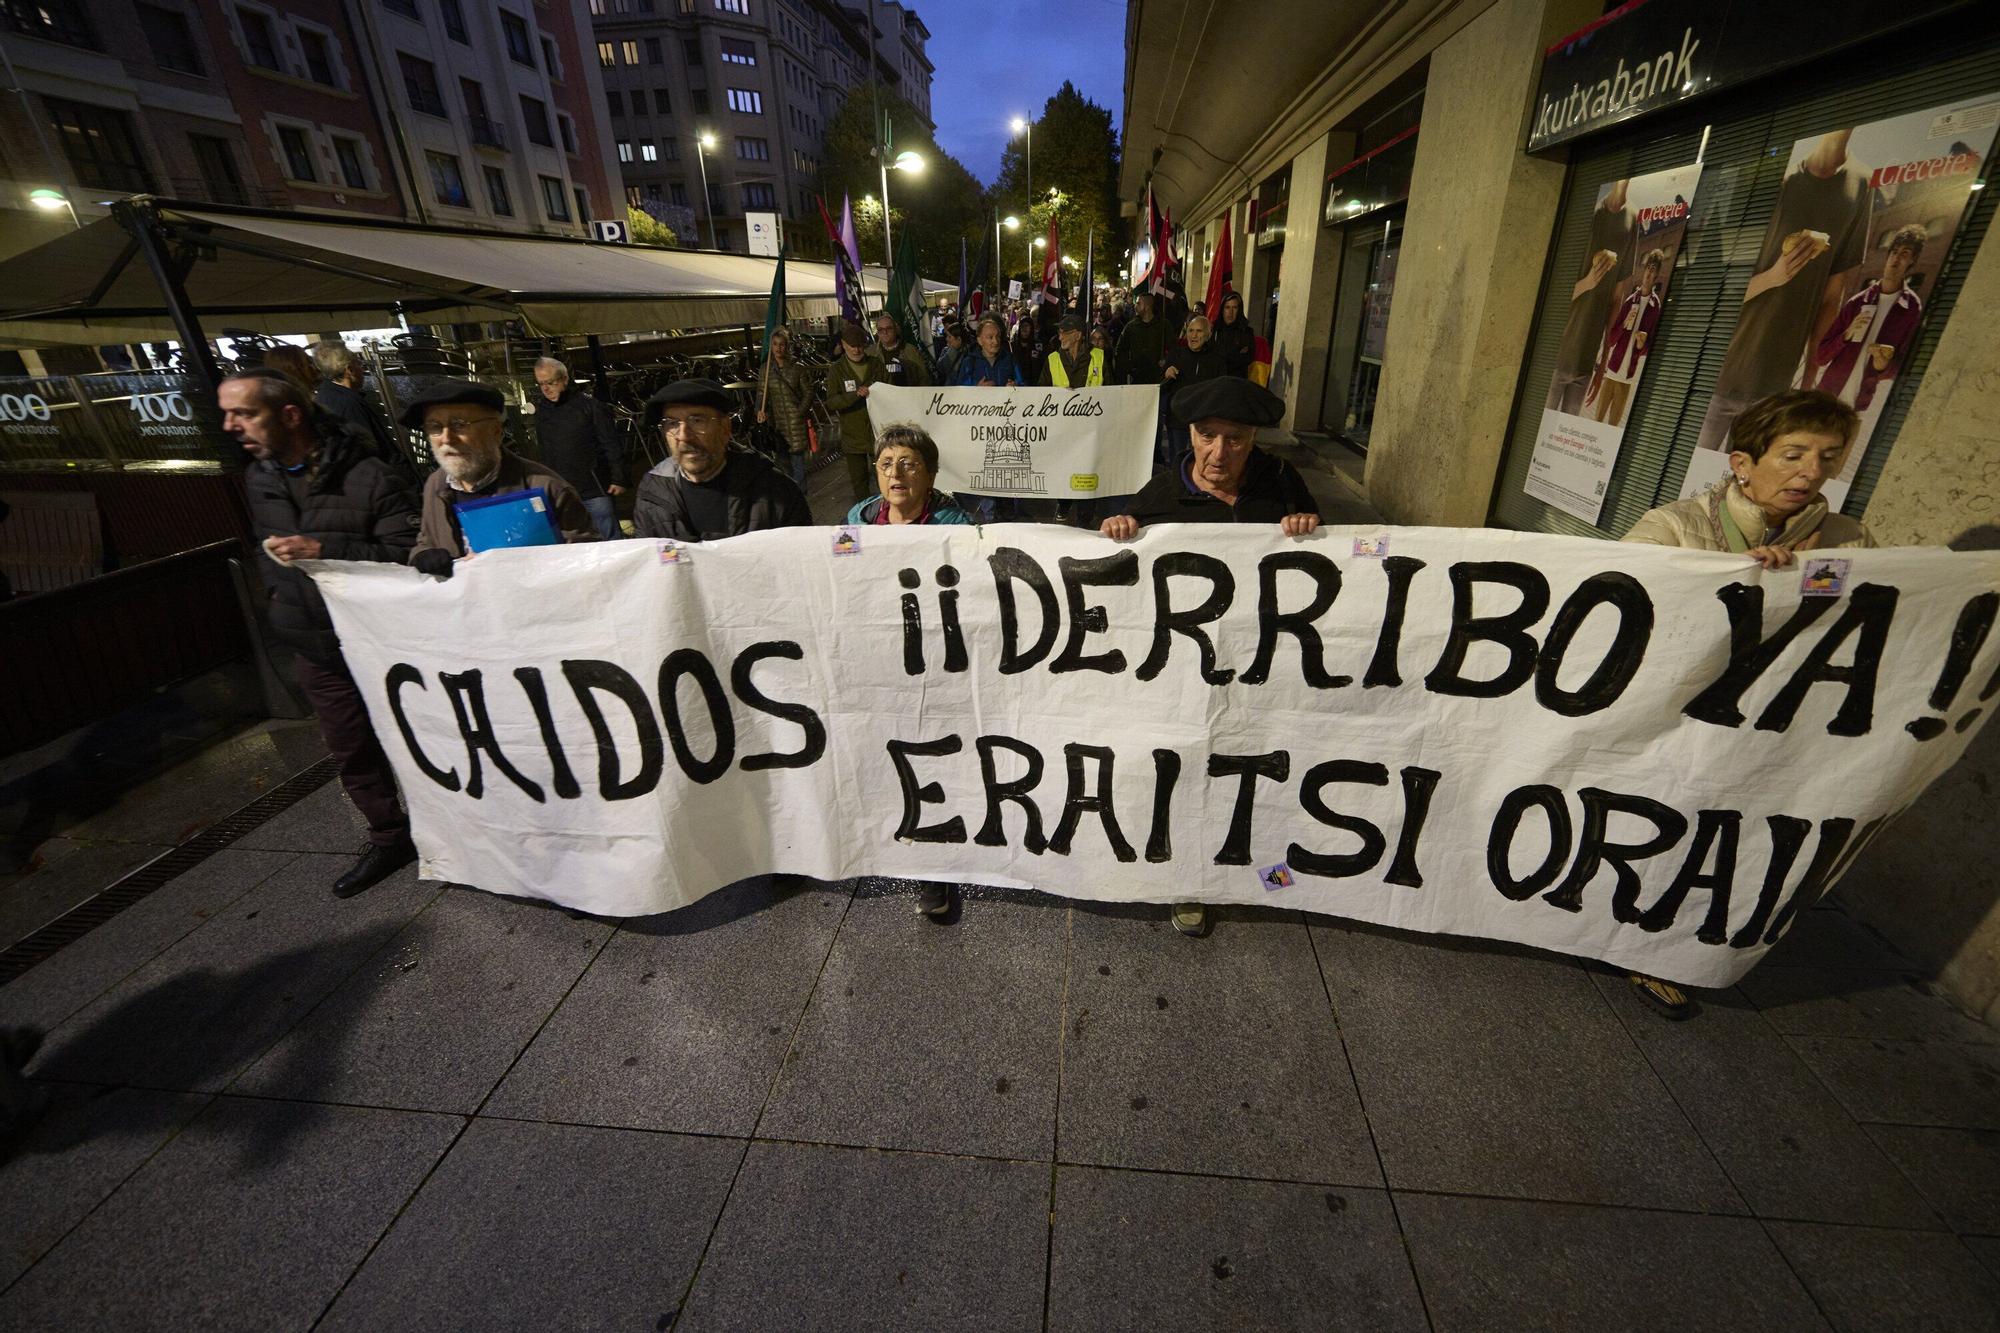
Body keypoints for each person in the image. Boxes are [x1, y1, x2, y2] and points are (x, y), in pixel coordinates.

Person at [1619, 389, 1874, 1018]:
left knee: (1728, 836)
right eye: (1792, 454)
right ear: (1742, 462)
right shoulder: (1672, 527)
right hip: (1679, 721)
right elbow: (1624, 623)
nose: (1811, 472)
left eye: (1827, 456)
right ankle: (1630, 940)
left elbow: (1870, 628)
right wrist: (1735, 581)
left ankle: (1674, 941)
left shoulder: (1849, 540)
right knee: (1659, 824)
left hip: (1779, 724)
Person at [1099, 377, 1319, 938]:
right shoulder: (1161, 493)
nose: (1219, 453)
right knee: (1183, 771)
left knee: (1249, 769)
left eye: (1236, 439)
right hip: (1181, 675)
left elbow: (1329, 563)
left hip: (1260, 667)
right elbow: (1121, 573)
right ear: (1189, 435)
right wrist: (1121, 529)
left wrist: (1307, 529)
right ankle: (1188, 879)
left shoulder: (1282, 483)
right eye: (1207, 436)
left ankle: (1259, 864)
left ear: (1255, 440)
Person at [227, 367, 423, 897]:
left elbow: (409, 557)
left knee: (425, 736)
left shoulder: (369, 475)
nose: (230, 425)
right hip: (313, 643)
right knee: (349, 746)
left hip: (381, 641)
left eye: (244, 412)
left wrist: (325, 552)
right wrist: (279, 597)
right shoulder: (261, 476)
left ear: (289, 415)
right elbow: (267, 546)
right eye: (227, 413)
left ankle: (462, 827)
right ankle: (388, 836)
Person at [1695, 131, 1872, 453]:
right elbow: (1715, 290)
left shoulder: (1860, 184)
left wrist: (1809, 379)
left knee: (1741, 486)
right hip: (1720, 373)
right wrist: (1774, 276)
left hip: (1774, 383)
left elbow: (1832, 296)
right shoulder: (1779, 179)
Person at [408, 379, 597, 575]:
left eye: (458, 425)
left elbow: (588, 559)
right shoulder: (435, 485)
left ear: (496, 432)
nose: (446, 438)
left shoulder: (547, 488)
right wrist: (423, 554)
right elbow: (427, 539)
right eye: (435, 427)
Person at [634, 378, 813, 539]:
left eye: (697, 421)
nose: (684, 436)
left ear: (725, 428)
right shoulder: (652, 496)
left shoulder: (775, 490)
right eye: (672, 423)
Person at [1810, 223, 1926, 411]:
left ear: (1913, 260)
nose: (1896, 258)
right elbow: (1821, 357)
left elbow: (1902, 366)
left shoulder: (1911, 309)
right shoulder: (1857, 302)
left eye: (1904, 254)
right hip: (1826, 397)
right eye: (1894, 252)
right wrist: (1847, 335)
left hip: (1859, 404)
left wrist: (1883, 366)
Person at [1547, 179, 1637, 415]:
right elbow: (1552, 295)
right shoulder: (1589, 213)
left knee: (1565, 437)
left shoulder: (1632, 219)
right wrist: (1588, 283)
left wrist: (1603, 364)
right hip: (1557, 356)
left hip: (1586, 361)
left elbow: (1617, 299)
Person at [531, 357, 627, 540]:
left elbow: (611, 443)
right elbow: (545, 449)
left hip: (593, 486)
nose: (546, 388)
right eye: (541, 383)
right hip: (562, 489)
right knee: (577, 539)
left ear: (565, 379)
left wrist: (619, 478)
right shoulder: (543, 410)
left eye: (551, 382)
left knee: (609, 537)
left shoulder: (590, 406)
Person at [1585, 248, 1666, 427]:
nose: (1649, 272)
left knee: (1613, 426)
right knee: (1596, 421)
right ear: (1644, 271)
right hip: (1612, 372)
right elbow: (1612, 338)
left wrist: (1642, 343)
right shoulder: (1630, 301)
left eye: (1654, 269)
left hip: (1628, 377)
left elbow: (1649, 345)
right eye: (1648, 267)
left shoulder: (1655, 307)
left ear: (1656, 275)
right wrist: (1623, 326)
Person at [823, 323, 888, 505]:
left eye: (860, 345)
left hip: (878, 434)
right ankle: (865, 516)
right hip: (853, 438)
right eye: (853, 346)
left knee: (885, 478)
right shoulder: (837, 370)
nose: (857, 350)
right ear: (843, 345)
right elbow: (831, 402)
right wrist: (853, 396)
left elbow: (891, 391)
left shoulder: (876, 365)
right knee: (859, 483)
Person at [310, 341, 401, 467]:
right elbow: (370, 450)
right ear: (350, 370)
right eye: (359, 364)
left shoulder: (322, 398)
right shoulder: (350, 403)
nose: (362, 369)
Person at [757, 328, 817, 494]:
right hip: (778, 425)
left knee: (798, 465)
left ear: (787, 346)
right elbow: (762, 394)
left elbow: (808, 393)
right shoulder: (766, 370)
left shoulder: (798, 369)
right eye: (775, 344)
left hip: (796, 423)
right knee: (782, 464)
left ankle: (800, 497)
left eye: (782, 344)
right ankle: (789, 496)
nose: (778, 348)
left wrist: (799, 412)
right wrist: (760, 411)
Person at [1161, 315, 1226, 463]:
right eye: (1191, 330)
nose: (1194, 335)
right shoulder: (1176, 354)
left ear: (1208, 334)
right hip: (1177, 420)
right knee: (1177, 460)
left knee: (1200, 461)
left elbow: (1219, 390)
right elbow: (1162, 383)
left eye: (1199, 331)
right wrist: (1166, 372)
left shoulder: (1217, 360)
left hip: (1203, 421)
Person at [952, 312, 1024, 386]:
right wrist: (976, 388)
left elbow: (1022, 384)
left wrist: (1015, 387)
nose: (995, 341)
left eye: (998, 336)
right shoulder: (969, 362)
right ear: (979, 340)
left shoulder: (1010, 359)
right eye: (990, 337)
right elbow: (961, 390)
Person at [1113, 289, 1167, 387]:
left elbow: (1174, 348)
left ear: (1147, 306)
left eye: (1138, 303)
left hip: (1157, 378)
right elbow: (1120, 350)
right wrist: (1129, 366)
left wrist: (1166, 361)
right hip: (1136, 378)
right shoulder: (1131, 326)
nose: (1135, 306)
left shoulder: (1163, 326)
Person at [1040, 314, 1106, 387]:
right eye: (1060, 332)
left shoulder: (1099, 357)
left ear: (1078, 335)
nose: (1060, 337)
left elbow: (1112, 392)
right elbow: (1042, 392)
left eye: (1065, 333)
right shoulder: (1052, 359)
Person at [873, 309, 930, 386]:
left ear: (895, 329)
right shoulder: (871, 353)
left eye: (888, 328)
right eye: (881, 329)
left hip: (908, 395)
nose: (885, 332)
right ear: (877, 333)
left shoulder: (911, 351)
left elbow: (923, 377)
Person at [1210, 292, 1257, 379]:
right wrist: (1235, 353)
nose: (1230, 312)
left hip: (1237, 380)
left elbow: (1247, 358)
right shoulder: (1213, 330)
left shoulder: (1246, 332)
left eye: (1235, 307)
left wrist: (1222, 356)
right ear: (1222, 309)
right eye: (1227, 307)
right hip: (1214, 379)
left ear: (1239, 310)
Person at [934, 321, 970, 386]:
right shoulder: (946, 350)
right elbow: (941, 368)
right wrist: (953, 350)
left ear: (959, 339)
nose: (946, 339)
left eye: (949, 337)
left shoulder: (969, 354)